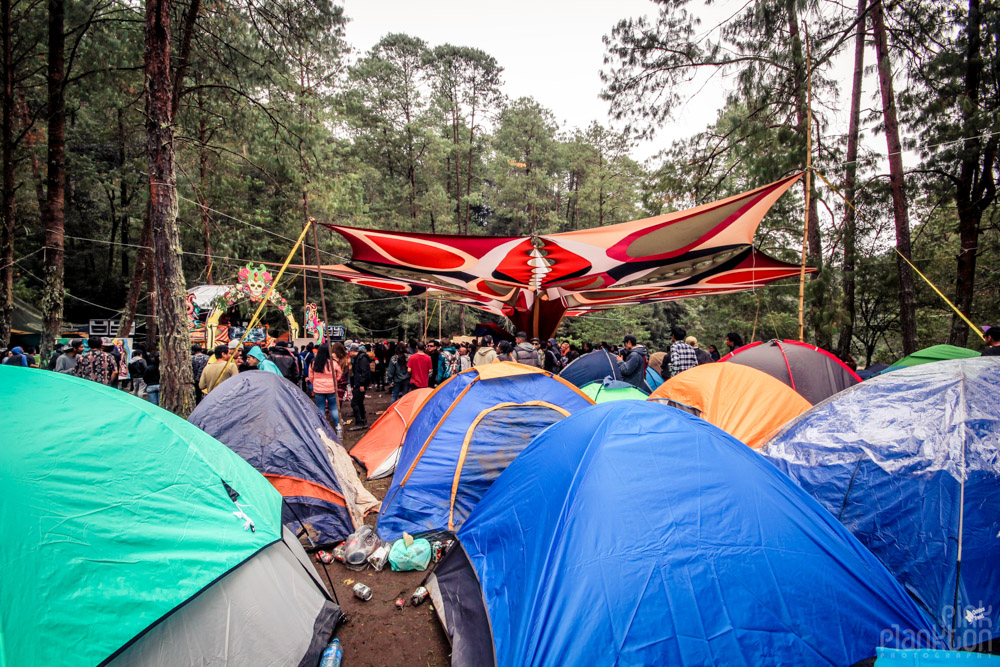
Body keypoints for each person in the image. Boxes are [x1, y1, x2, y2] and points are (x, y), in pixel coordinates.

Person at [310, 343, 343, 436]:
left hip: (318, 389)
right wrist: (334, 381)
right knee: (334, 408)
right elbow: (339, 374)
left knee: (321, 407)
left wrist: (315, 383)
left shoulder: (314, 362)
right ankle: (338, 427)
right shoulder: (333, 362)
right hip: (331, 388)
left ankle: (323, 428)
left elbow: (310, 376)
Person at [349, 343, 371, 430]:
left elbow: (364, 372)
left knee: (355, 403)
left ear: (353, 351)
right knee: (359, 403)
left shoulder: (361, 359)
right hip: (358, 383)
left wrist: (362, 384)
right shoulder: (360, 358)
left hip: (359, 384)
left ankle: (359, 422)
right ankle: (363, 420)